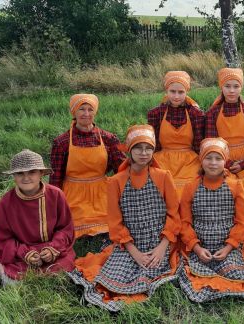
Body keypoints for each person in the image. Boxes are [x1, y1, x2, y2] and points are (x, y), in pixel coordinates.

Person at [68, 125, 181, 311]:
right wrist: (134, 252)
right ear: (129, 150)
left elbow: (174, 214)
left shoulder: (163, 176)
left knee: (153, 270)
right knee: (112, 279)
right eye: (138, 147)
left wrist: (162, 247)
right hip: (129, 243)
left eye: (148, 148)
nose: (143, 153)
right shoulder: (115, 182)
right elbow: (115, 222)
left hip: (159, 240)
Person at [177, 138, 244, 302]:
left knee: (238, 273)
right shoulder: (190, 187)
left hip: (227, 245)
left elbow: (242, 222)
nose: (213, 163)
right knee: (195, 275)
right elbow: (185, 223)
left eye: (218, 158)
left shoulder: (235, 185)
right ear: (201, 160)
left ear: (225, 161)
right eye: (209, 158)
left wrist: (229, 246)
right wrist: (196, 247)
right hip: (200, 245)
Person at [0, 149, 75, 285]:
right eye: (20, 173)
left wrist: (52, 249)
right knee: (14, 283)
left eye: (32, 172)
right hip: (21, 251)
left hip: (51, 249)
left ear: (41, 173)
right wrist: (26, 254)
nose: (26, 178)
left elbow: (65, 229)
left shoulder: (56, 195)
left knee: (65, 271)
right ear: (14, 176)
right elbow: (3, 238)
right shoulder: (6, 203)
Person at [50, 94, 125, 238]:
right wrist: (55, 205)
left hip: (101, 191)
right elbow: (56, 178)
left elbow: (122, 170)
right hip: (74, 193)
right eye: (81, 109)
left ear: (95, 112)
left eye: (90, 109)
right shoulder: (61, 142)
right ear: (74, 112)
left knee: (111, 223)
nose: (86, 114)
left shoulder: (109, 138)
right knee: (73, 226)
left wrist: (123, 194)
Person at [205, 67, 244, 221]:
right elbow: (210, 145)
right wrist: (226, 162)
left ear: (241, 87)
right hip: (220, 158)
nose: (232, 91)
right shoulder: (212, 113)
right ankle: (227, 218)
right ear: (221, 87)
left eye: (236, 86)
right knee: (226, 182)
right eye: (227, 86)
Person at [147, 71, 205, 198]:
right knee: (159, 187)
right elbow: (154, 143)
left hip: (189, 160)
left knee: (190, 188)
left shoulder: (195, 114)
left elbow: (198, 143)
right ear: (166, 90)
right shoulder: (157, 113)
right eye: (172, 91)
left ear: (186, 92)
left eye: (181, 92)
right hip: (162, 159)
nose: (176, 96)